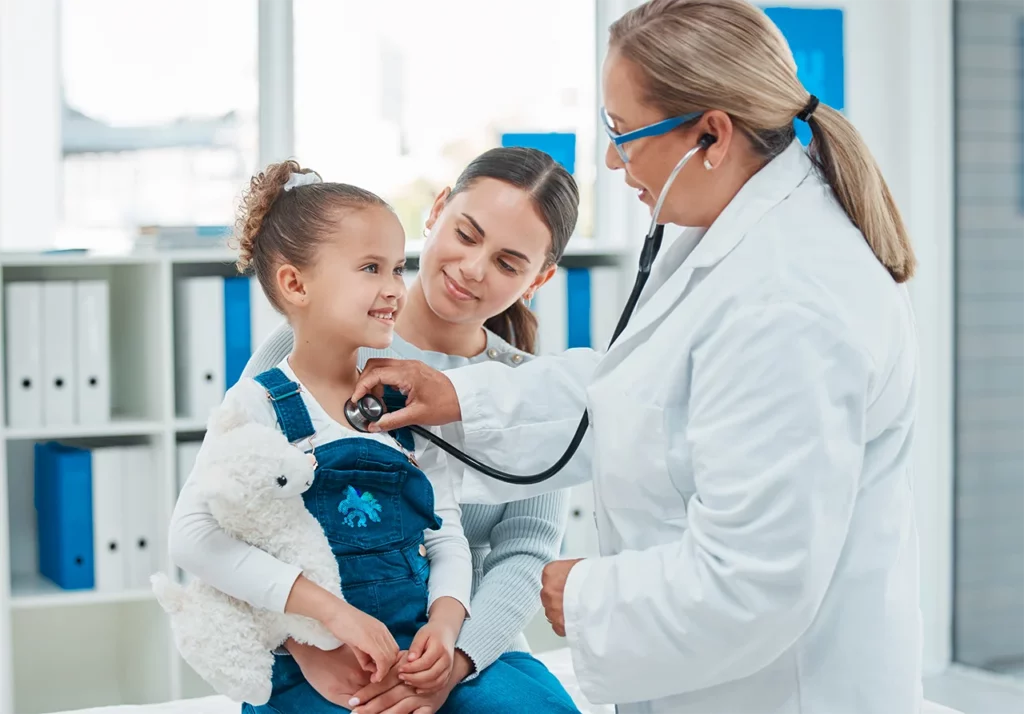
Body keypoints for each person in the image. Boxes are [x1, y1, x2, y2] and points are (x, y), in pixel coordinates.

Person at [350, 1, 922, 713]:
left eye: (624, 132)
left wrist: (586, 595)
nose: (615, 160)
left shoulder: (790, 301)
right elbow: (636, 393)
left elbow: (756, 579)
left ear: (711, 135)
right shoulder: (733, 242)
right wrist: (463, 396)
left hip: (783, 688)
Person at [171, 148, 584, 714]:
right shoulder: (301, 355)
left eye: (508, 263)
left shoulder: (535, 395)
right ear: (437, 211)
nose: (472, 268)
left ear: (538, 279)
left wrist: (454, 659)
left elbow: (523, 550)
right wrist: (310, 644)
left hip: (458, 644)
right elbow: (237, 517)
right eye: (466, 234)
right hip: (321, 649)